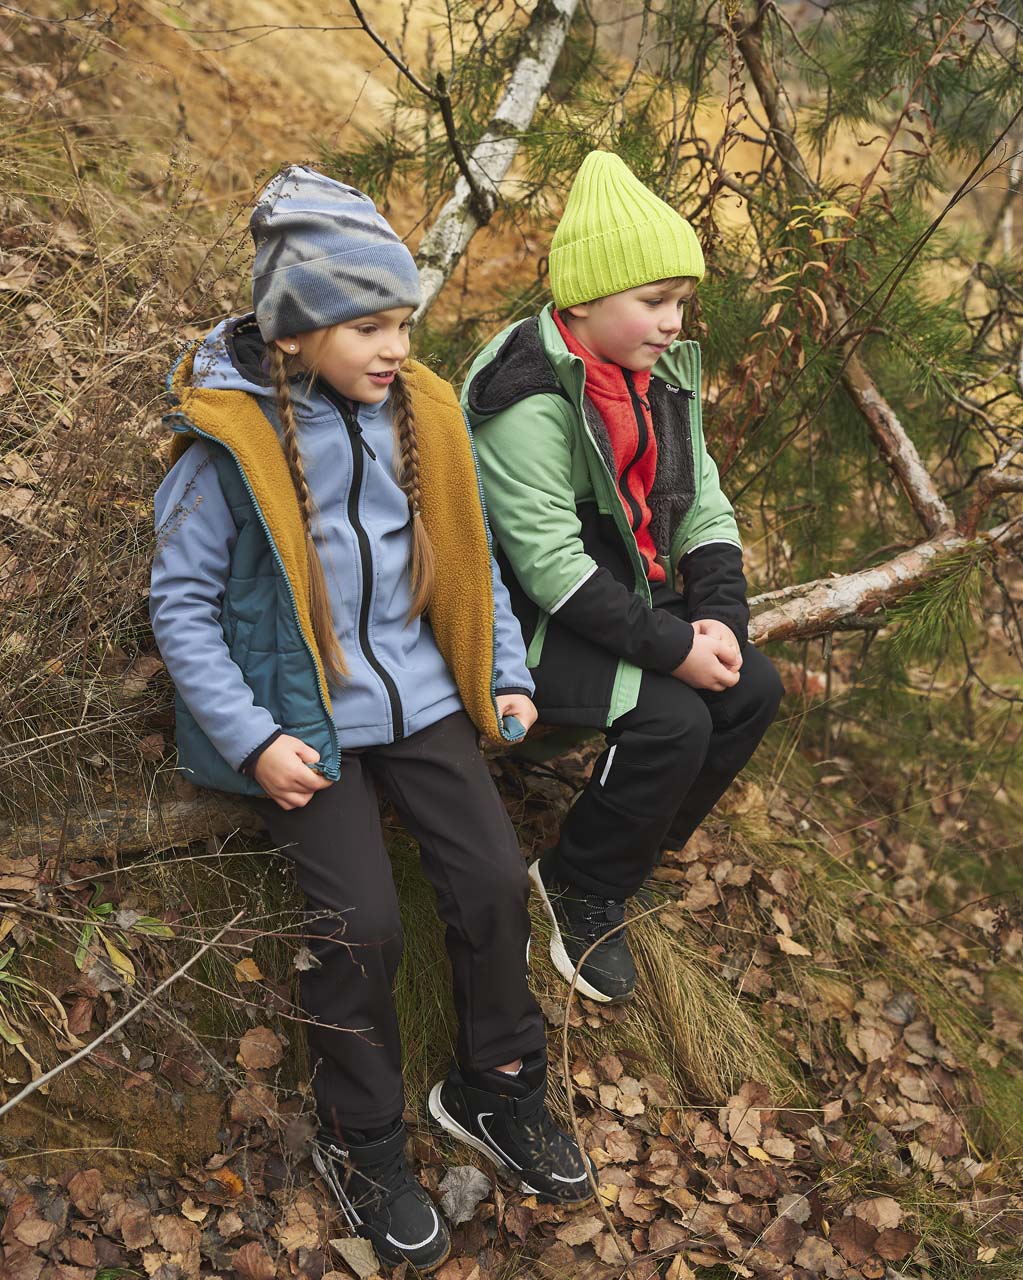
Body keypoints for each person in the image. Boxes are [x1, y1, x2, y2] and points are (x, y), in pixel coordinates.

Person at [150, 165, 590, 1273]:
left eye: (403, 322)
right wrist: (255, 738)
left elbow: (470, 559)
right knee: (362, 923)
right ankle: (365, 1140)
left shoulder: (418, 412)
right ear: (295, 330)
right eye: (369, 326)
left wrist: (500, 671)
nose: (396, 347)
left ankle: (498, 1086)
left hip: (422, 698)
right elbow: (182, 608)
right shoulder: (228, 445)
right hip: (306, 718)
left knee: (493, 881)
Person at [462, 151, 784, 1007]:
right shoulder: (528, 396)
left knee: (750, 687)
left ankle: (622, 852)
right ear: (582, 301)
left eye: (680, 302)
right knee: (671, 717)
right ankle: (577, 883)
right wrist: (673, 650)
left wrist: (718, 621)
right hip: (521, 619)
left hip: (619, 593)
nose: (673, 323)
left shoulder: (655, 379)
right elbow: (548, 568)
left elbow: (702, 505)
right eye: (653, 301)